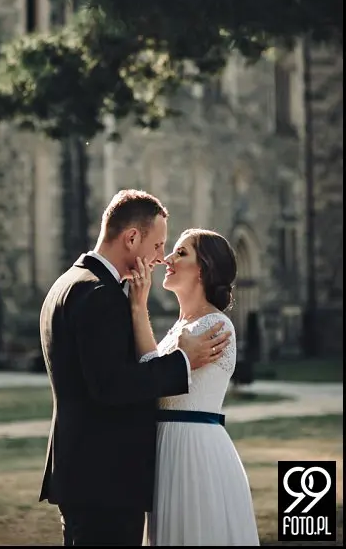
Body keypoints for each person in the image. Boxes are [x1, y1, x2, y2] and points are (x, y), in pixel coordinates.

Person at [39, 189, 231, 546]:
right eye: (157, 246)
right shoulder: (101, 294)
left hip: (84, 474)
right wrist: (183, 361)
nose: (160, 257)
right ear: (131, 238)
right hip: (106, 479)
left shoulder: (67, 283)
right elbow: (112, 386)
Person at [126, 229, 259, 545]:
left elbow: (158, 380)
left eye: (181, 253)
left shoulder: (215, 325)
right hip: (166, 447)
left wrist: (138, 306)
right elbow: (154, 371)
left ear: (203, 269)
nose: (168, 259)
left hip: (193, 451)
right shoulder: (181, 328)